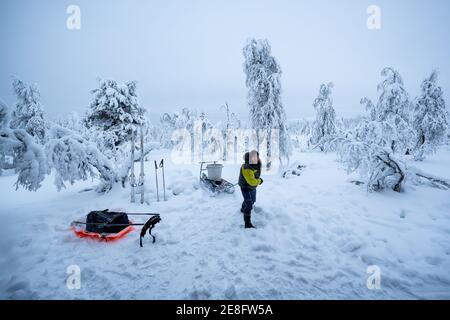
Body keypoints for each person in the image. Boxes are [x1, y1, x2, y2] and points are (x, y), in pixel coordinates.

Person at [238, 150, 263, 228]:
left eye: (257, 157)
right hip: (245, 186)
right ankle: (247, 224)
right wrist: (259, 181)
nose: (256, 159)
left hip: (252, 186)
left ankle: (242, 208)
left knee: (252, 200)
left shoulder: (257, 163)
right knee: (249, 204)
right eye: (254, 157)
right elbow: (251, 181)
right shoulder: (247, 167)